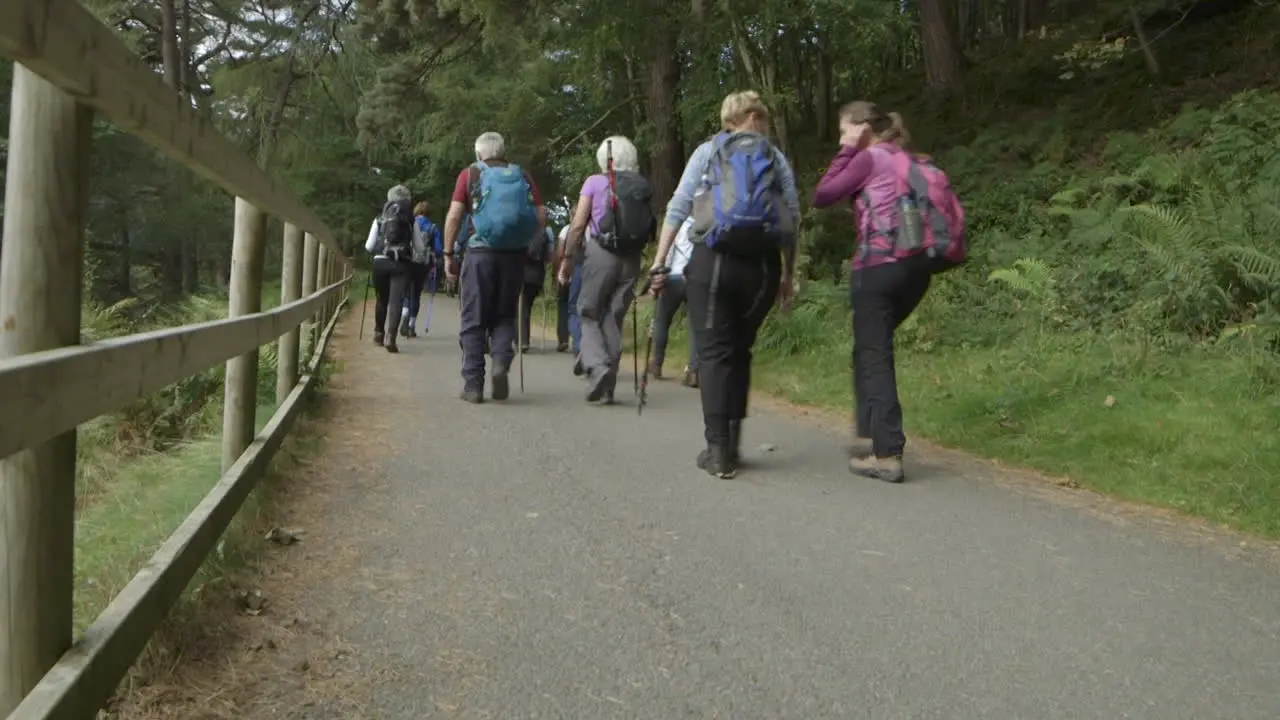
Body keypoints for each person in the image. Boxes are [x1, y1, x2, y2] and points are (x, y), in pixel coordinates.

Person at [649, 90, 799, 478]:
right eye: (762, 116)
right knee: (739, 350)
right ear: (752, 116)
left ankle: (717, 453)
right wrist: (787, 273)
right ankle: (732, 441)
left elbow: (679, 207)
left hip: (712, 262)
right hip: (762, 268)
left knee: (713, 354)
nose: (763, 123)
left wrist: (660, 261)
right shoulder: (774, 157)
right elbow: (792, 218)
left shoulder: (707, 152)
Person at [812, 101, 956, 484]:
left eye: (844, 130)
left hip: (878, 267)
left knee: (874, 355)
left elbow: (823, 195)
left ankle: (887, 452)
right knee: (869, 348)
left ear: (862, 128)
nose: (842, 138)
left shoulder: (868, 158)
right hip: (917, 269)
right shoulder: (907, 159)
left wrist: (848, 148)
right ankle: (867, 434)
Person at [443, 131, 547, 403]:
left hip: (479, 254)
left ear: (479, 154)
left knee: (473, 319)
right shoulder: (522, 175)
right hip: (514, 257)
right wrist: (523, 240)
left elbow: (454, 215)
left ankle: (473, 385)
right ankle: (501, 363)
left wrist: (447, 253)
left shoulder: (471, 174)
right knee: (505, 315)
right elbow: (540, 215)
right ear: (503, 152)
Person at [557, 135, 656, 404]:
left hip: (601, 253)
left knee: (587, 312)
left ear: (605, 159)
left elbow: (578, 225)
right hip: (632, 258)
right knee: (613, 317)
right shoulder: (640, 186)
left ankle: (598, 368)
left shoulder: (595, 182)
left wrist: (567, 259)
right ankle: (608, 386)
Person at [364, 184, 425, 353]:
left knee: (381, 299)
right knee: (395, 301)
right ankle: (391, 337)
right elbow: (419, 248)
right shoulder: (411, 220)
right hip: (402, 264)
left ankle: (378, 333)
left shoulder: (379, 219)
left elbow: (369, 246)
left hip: (380, 263)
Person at [648, 216, 700, 389]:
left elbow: (668, 252)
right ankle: (693, 370)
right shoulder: (706, 223)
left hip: (673, 277)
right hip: (695, 279)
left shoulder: (677, 223)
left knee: (662, 320)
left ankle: (656, 363)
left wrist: (660, 277)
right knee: (695, 325)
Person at [400, 201, 443, 338]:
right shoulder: (433, 228)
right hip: (423, 264)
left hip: (408, 261)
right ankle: (412, 325)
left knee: (406, 292)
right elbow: (437, 249)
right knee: (416, 293)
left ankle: (404, 314)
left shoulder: (410, 223)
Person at [518, 225, 555, 353]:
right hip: (537, 276)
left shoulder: (521, 229)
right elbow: (550, 257)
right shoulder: (546, 232)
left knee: (521, 306)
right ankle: (522, 339)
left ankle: (522, 340)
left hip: (522, 273)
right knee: (526, 306)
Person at [553, 225, 573, 353]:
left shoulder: (566, 230)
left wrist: (556, 272)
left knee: (563, 306)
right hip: (585, 273)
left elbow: (560, 253)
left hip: (566, 273)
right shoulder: (590, 229)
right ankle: (579, 339)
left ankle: (563, 339)